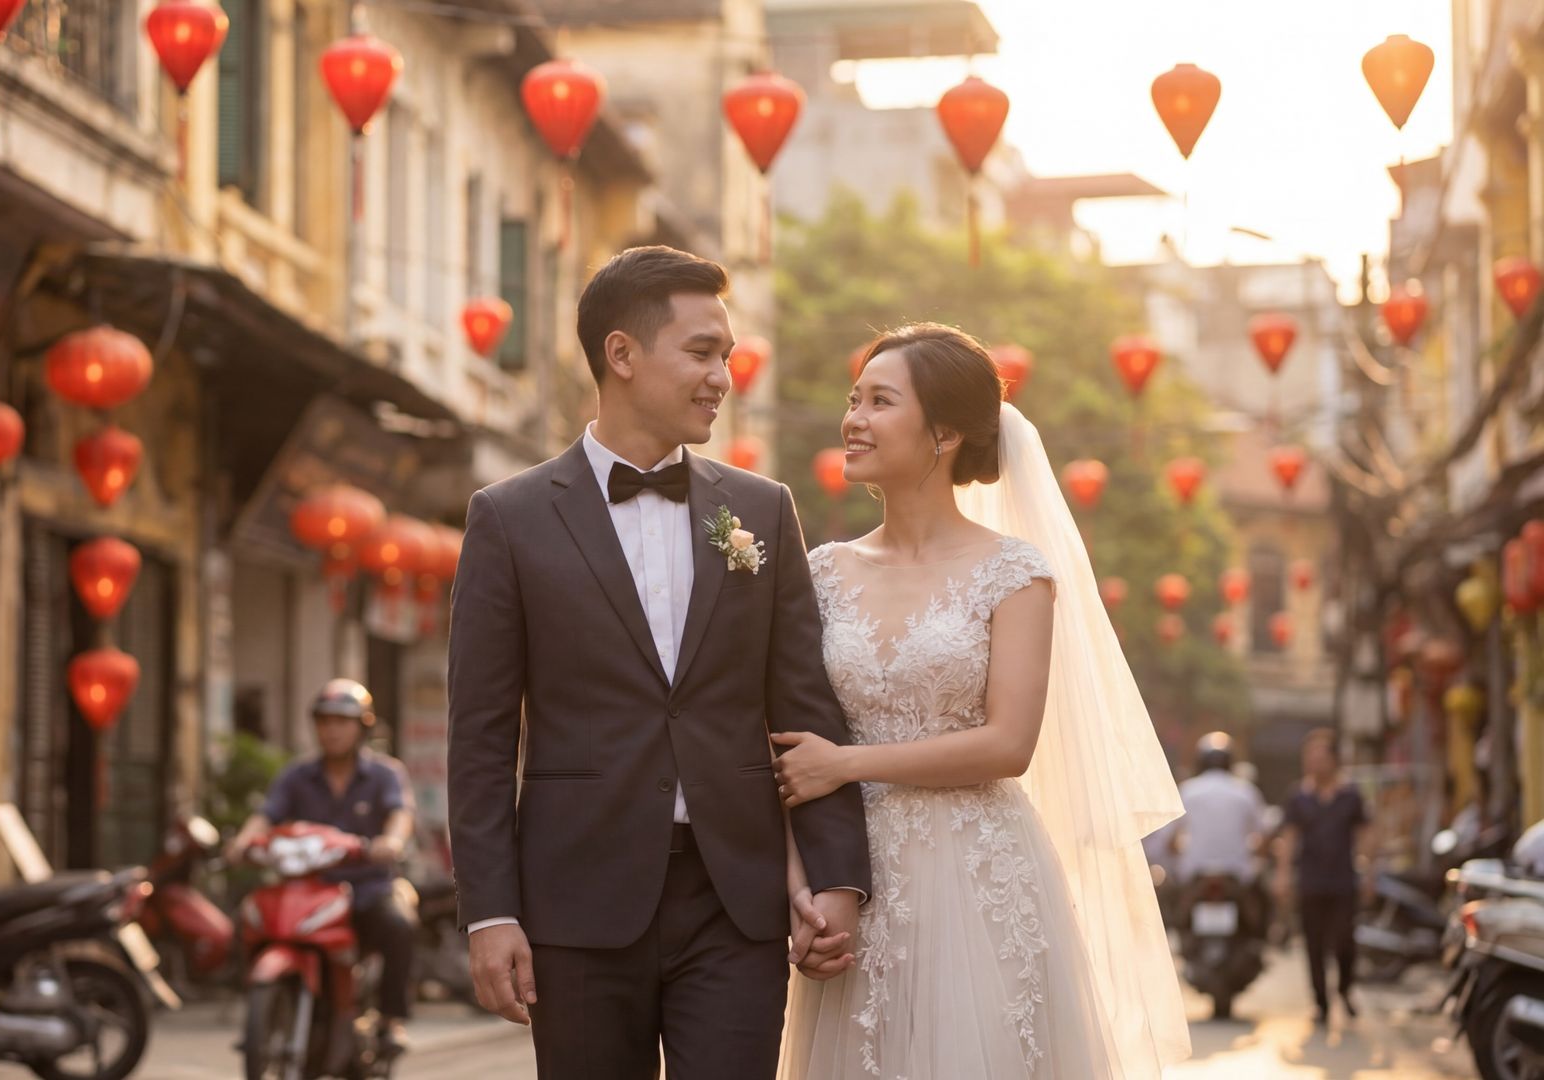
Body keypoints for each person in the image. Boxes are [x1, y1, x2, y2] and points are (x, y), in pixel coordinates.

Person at [447, 245, 871, 1079]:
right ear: (622, 354)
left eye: (728, 354)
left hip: (735, 899)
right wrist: (489, 912)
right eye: (703, 352)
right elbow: (481, 738)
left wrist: (836, 878)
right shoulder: (509, 518)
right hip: (575, 902)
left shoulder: (762, 509)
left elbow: (804, 708)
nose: (724, 375)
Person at [770, 325, 1191, 1077]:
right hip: (854, 875)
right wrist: (801, 885)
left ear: (943, 433)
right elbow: (790, 747)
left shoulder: (1014, 574)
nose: (852, 420)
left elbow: (1008, 745)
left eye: (879, 401)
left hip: (976, 872)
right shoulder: (823, 572)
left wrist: (847, 764)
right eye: (853, 399)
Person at [228, 679, 417, 1053]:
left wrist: (391, 841)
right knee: (246, 920)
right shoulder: (296, 776)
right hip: (308, 891)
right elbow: (266, 816)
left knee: (399, 926)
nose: (331, 730)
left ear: (361, 727)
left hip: (365, 890)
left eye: (341, 722)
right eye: (325, 721)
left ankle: (391, 1019)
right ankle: (258, 1012)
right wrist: (242, 842)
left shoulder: (384, 774)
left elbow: (400, 814)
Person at [1273, 727, 1372, 1025]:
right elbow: (1289, 837)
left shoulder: (1350, 795)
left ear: (1334, 760)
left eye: (1320, 755)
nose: (1314, 762)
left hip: (1343, 880)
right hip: (1310, 880)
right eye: (1309, 756)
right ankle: (1321, 1004)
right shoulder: (1298, 797)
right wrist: (1282, 874)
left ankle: (1344, 988)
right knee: (1313, 945)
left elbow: (1365, 834)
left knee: (1344, 940)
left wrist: (1369, 871)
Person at [1174, 732, 1271, 931]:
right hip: (1237, 873)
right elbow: (1264, 835)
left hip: (1195, 872)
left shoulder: (1187, 791)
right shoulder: (1246, 791)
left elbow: (1169, 839)